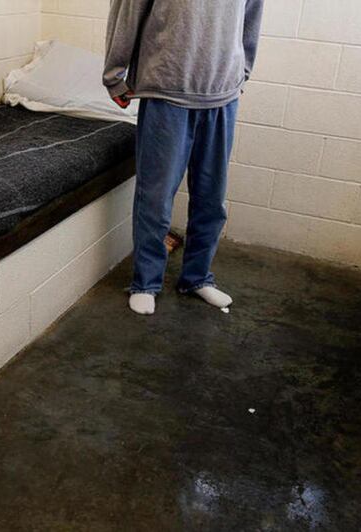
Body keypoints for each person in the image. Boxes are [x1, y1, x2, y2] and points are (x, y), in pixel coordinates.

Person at [104, 0, 264, 315]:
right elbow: (127, 9)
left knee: (211, 198)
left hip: (222, 95)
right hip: (166, 90)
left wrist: (241, 72)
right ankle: (146, 282)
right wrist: (114, 75)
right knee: (156, 197)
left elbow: (252, 16)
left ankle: (197, 277)